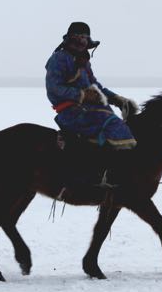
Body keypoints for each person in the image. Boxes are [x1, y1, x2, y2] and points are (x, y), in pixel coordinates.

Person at [45, 21, 139, 186]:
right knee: (114, 125)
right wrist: (81, 95)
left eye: (85, 37)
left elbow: (96, 87)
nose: (82, 40)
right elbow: (54, 88)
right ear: (71, 38)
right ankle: (105, 175)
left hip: (90, 109)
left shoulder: (83, 62)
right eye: (79, 36)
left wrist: (118, 100)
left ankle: (108, 170)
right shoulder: (58, 59)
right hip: (70, 112)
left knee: (117, 123)